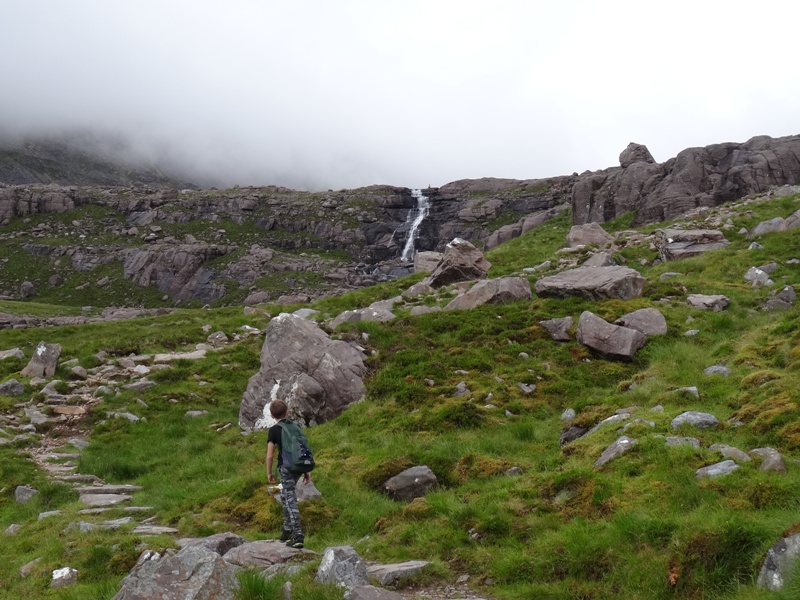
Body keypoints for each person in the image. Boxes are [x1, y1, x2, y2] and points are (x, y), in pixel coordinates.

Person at [266, 400, 310, 548]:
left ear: (272, 415)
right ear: (287, 412)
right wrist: (305, 470)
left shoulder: (274, 430)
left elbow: (270, 455)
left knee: (290, 498)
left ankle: (297, 536)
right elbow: (301, 449)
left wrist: (269, 473)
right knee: (285, 495)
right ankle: (287, 530)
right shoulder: (295, 427)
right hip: (299, 467)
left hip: (285, 468)